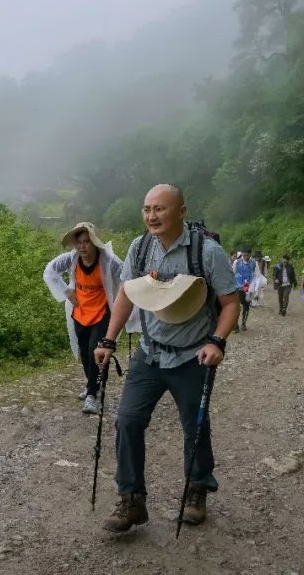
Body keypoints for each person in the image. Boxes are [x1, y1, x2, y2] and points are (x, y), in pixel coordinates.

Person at [93, 184, 239, 532]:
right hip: (150, 352)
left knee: (195, 426)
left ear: (182, 211)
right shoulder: (140, 248)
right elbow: (127, 295)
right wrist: (108, 339)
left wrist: (217, 341)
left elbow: (231, 302)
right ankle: (132, 500)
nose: (151, 216)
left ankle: (197, 488)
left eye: (159, 208)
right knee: (127, 421)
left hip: (193, 355)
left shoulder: (207, 251)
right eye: (146, 209)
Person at [42, 222, 136, 414]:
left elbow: (127, 277)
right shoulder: (71, 259)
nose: (82, 247)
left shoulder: (109, 260)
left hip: (102, 313)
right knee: (85, 352)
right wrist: (67, 292)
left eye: (87, 242)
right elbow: (50, 272)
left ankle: (94, 395)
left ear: (94, 243)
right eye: (79, 242)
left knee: (98, 352)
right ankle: (91, 386)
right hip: (80, 312)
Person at [232, 250, 255, 331]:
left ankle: (243, 323)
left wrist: (254, 287)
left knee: (246, 306)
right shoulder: (237, 262)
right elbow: (233, 273)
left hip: (249, 288)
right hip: (239, 288)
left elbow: (256, 275)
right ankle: (235, 325)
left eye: (248, 255)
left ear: (250, 255)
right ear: (242, 255)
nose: (246, 257)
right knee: (236, 306)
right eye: (245, 255)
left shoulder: (253, 263)